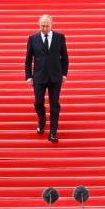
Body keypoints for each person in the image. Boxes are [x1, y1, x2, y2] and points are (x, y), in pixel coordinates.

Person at [24, 14, 69, 142]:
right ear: (39, 25)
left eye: (47, 26)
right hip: (39, 77)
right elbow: (28, 59)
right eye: (42, 26)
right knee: (38, 103)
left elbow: (65, 57)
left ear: (51, 25)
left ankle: (53, 132)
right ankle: (42, 121)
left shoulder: (59, 37)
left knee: (54, 105)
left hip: (55, 77)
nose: (44, 28)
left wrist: (64, 73)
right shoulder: (33, 38)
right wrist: (28, 76)